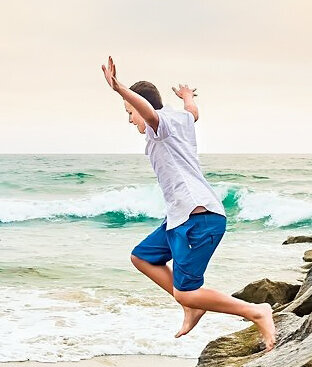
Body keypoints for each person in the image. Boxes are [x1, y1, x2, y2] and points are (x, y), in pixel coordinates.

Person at [101, 56, 276, 351]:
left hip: (198, 218)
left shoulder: (161, 125)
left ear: (141, 106)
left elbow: (149, 112)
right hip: (181, 218)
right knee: (142, 258)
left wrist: (119, 88)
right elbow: (193, 113)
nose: (130, 119)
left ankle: (256, 311)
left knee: (186, 291)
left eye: (129, 111)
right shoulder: (181, 120)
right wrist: (187, 97)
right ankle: (191, 305)